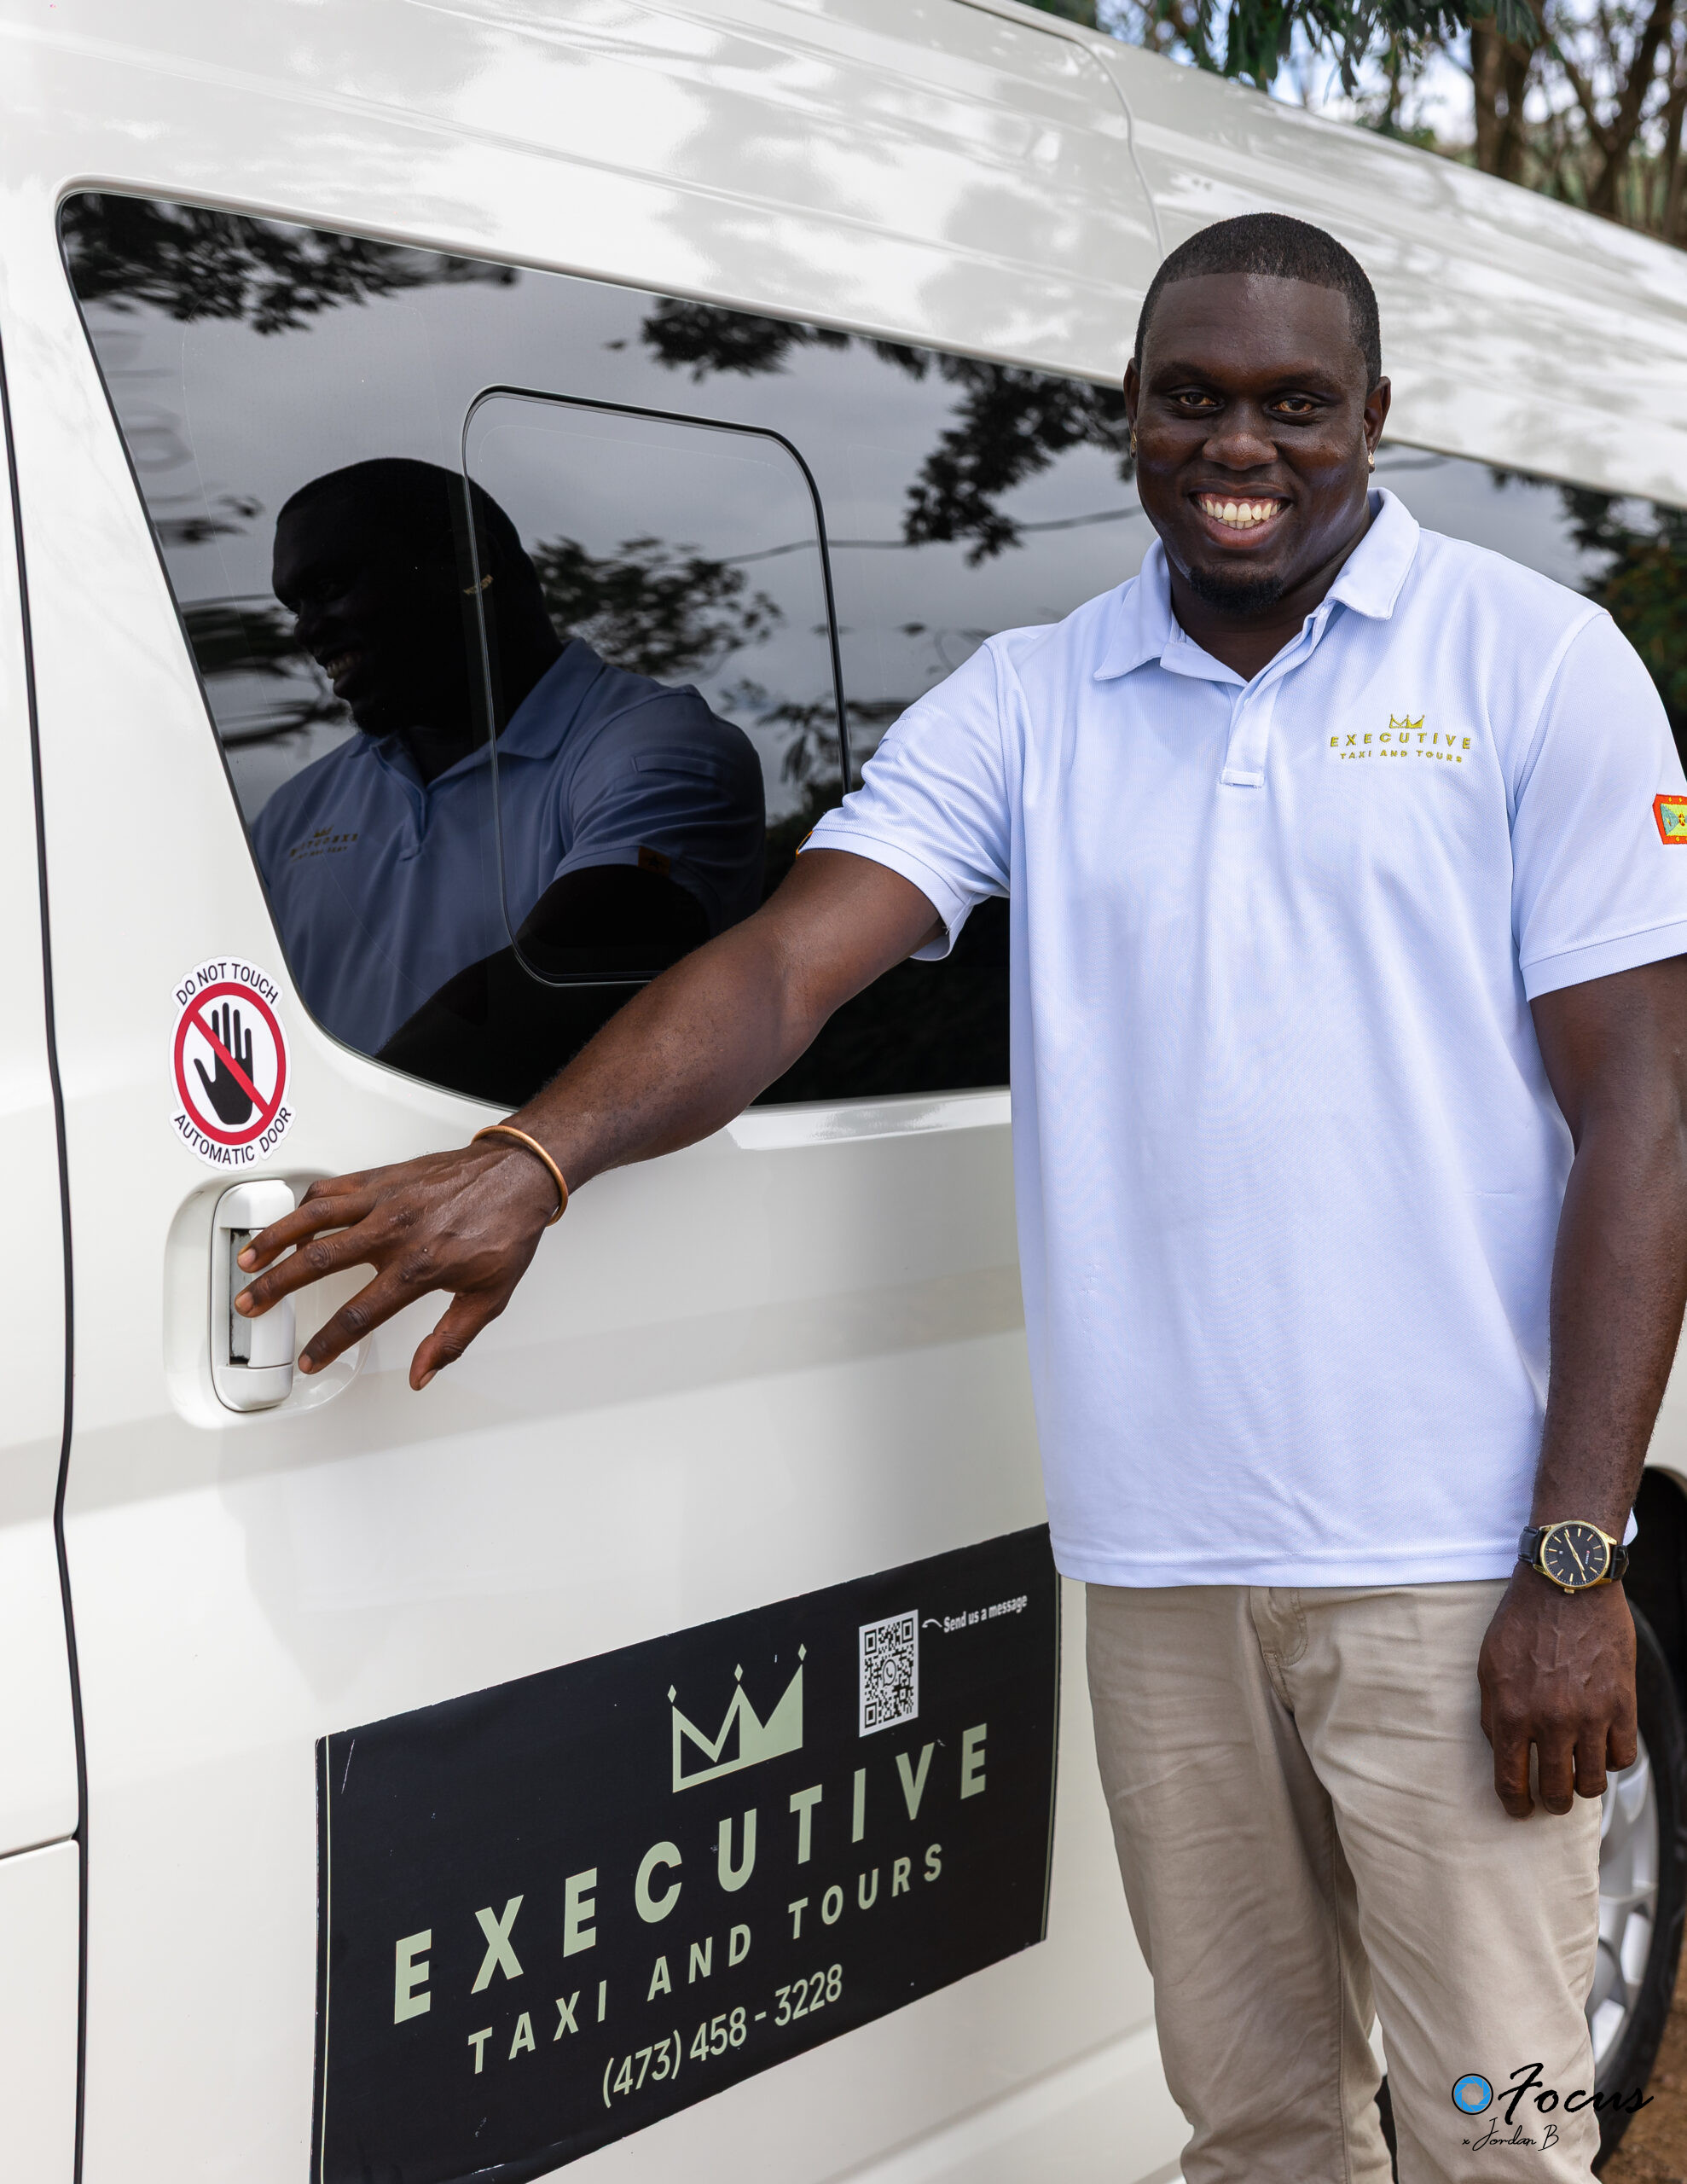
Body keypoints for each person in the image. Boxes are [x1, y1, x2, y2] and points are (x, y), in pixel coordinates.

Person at [234, 217, 1687, 2183]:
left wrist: (1575, 1562)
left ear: (1372, 416)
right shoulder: (1032, 696)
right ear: (1127, 408)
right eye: (1191, 396)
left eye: (1292, 403)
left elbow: (1640, 1113)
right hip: (1161, 1565)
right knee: (1253, 2119)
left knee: (1498, 2128)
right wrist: (532, 1153)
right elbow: (780, 965)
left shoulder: (1532, 662)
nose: (1237, 444)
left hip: (1448, 1557)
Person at [256, 457, 766, 1094]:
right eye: (295, 607)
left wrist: (342, 1136)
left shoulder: (660, 752)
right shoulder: (292, 817)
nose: (307, 630)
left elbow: (554, 985)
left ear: (466, 564)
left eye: (330, 588)